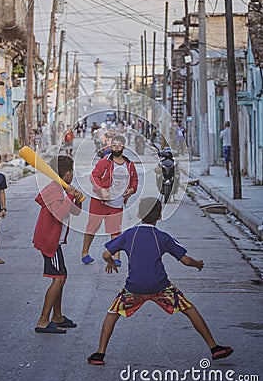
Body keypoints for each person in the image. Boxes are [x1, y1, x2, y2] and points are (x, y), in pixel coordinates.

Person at [87, 197, 234, 365]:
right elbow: (185, 260)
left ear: (138, 214)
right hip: (161, 287)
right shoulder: (162, 237)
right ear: (160, 216)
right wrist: (197, 264)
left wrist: (111, 262)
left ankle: (99, 354)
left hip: (134, 288)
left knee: (112, 314)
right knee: (189, 309)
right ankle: (214, 347)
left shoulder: (129, 234)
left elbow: (106, 254)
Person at [33, 155, 83, 333]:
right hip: (50, 241)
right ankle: (43, 320)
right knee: (58, 279)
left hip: (56, 241)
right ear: (67, 173)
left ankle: (58, 316)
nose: (73, 175)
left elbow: (75, 212)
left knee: (62, 277)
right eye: (72, 172)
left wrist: (76, 199)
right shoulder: (54, 190)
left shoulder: (62, 189)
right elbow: (60, 214)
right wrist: (70, 196)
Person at [81, 135, 138, 267]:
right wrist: (101, 190)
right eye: (114, 145)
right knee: (92, 228)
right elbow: (94, 176)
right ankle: (85, 253)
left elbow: (134, 181)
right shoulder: (104, 162)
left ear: (123, 147)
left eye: (119, 145)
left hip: (117, 203)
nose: (116, 147)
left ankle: (116, 257)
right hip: (99, 201)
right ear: (111, 147)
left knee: (115, 231)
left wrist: (132, 190)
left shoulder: (129, 165)